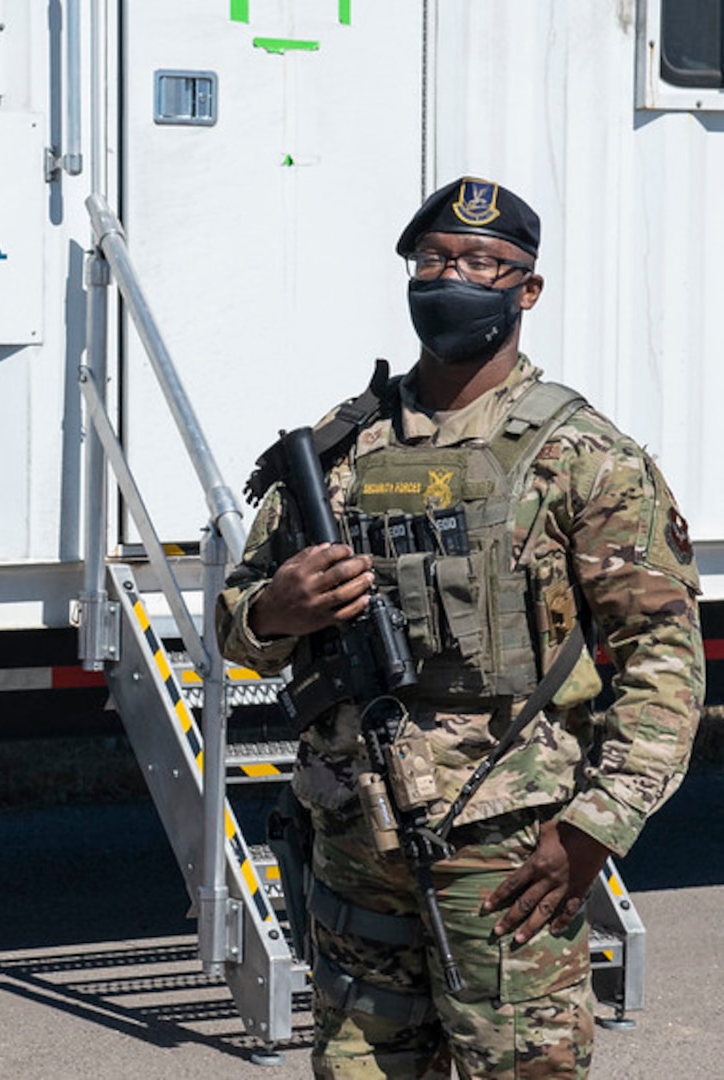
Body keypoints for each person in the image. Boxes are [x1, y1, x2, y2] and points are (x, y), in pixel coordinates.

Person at [217, 177, 703, 1079]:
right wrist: (270, 608)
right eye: (433, 260)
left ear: (526, 289)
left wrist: (596, 826)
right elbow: (240, 624)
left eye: (480, 262)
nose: (452, 277)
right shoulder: (337, 453)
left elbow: (662, 660)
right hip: (353, 843)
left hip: (510, 852)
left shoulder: (580, 456)